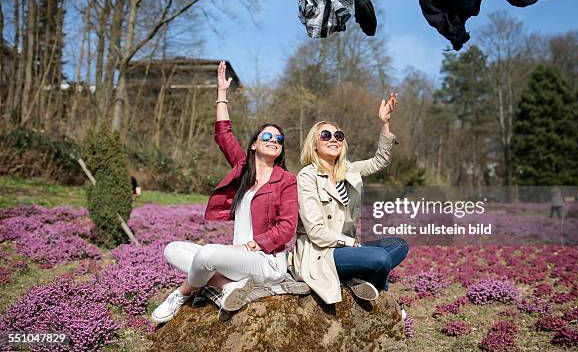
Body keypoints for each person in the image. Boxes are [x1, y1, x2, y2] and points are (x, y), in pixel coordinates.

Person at [151, 61, 298, 323]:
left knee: (207, 254)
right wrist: (222, 95)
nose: (274, 141)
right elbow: (224, 136)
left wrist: (253, 244)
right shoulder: (244, 171)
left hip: (265, 260)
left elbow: (287, 228)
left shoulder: (287, 180)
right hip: (237, 258)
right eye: (267, 137)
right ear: (253, 145)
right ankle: (226, 285)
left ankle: (183, 293)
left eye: (279, 139)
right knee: (172, 249)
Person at [289, 93, 409, 304]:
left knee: (399, 245)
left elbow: (380, 161)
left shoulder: (349, 170)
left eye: (338, 136)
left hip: (346, 248)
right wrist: (351, 243)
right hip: (322, 252)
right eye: (326, 135)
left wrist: (384, 123)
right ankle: (373, 288)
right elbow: (316, 232)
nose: (333, 139)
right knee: (379, 258)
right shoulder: (307, 176)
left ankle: (358, 279)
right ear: (314, 144)